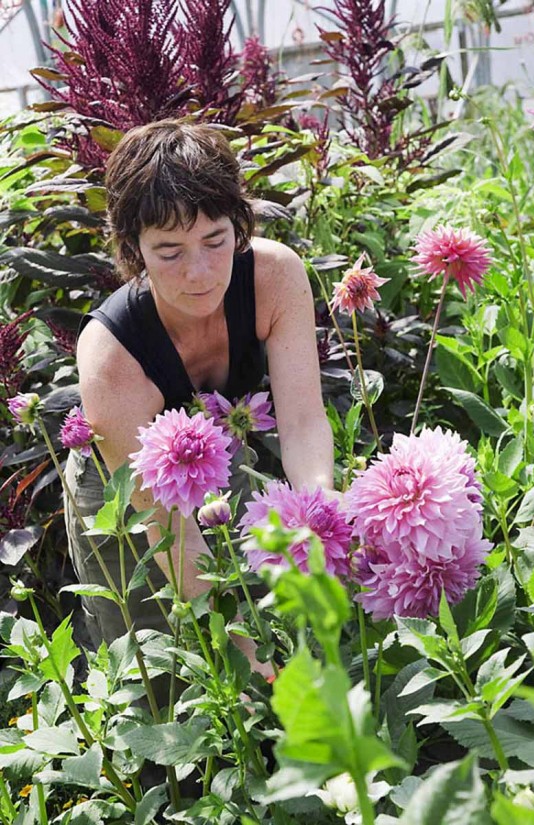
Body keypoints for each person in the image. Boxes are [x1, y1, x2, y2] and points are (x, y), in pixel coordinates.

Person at [64, 119, 334, 679]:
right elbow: (171, 532)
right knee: (158, 662)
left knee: (279, 601)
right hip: (122, 498)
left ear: (238, 225)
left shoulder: (274, 277)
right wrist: (257, 659)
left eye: (216, 240)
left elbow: (304, 423)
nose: (200, 272)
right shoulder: (110, 358)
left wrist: (320, 523)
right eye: (169, 252)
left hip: (215, 454)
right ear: (132, 248)